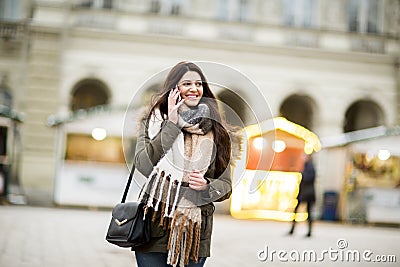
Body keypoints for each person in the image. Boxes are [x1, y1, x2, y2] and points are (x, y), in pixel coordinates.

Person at [133, 61, 238, 267]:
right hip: (155, 223)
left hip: (195, 232)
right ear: (174, 89)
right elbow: (144, 165)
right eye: (186, 84)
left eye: (198, 84)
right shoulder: (152, 122)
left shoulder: (218, 131)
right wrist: (171, 124)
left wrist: (207, 186)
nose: (194, 89)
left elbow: (226, 185)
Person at [288, 154, 316, 237]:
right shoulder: (308, 166)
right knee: (304, 212)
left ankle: (307, 231)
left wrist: (302, 174)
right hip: (305, 193)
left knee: (306, 212)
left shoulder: (310, 166)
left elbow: (310, 178)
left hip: (307, 193)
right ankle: (294, 229)